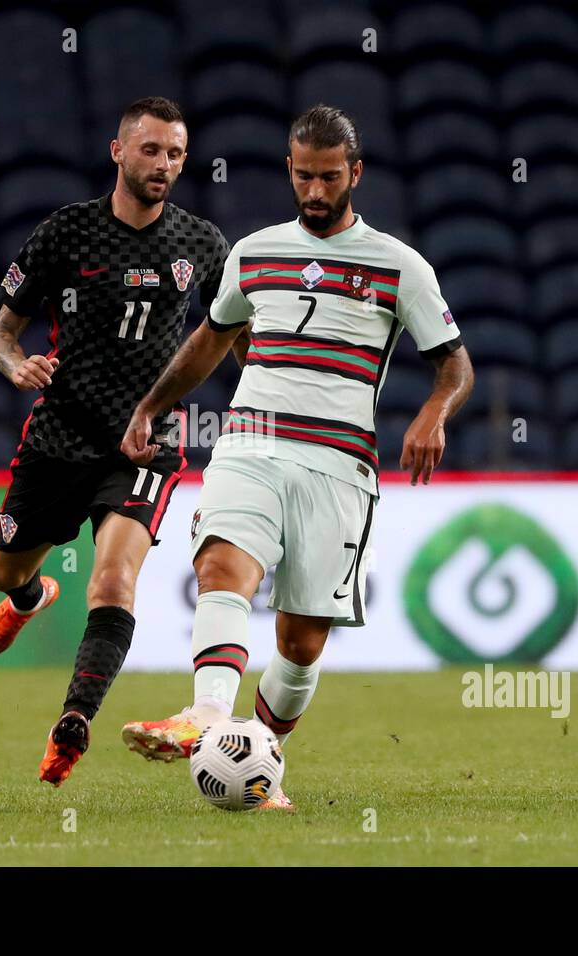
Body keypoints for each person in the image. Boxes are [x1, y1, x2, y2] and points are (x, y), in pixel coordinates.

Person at [119, 105, 474, 810]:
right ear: (290, 169)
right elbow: (214, 338)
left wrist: (434, 411)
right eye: (304, 176)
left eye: (330, 178)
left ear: (356, 174)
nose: (315, 191)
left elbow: (455, 365)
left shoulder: (400, 266)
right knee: (220, 563)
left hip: (340, 463)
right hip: (250, 441)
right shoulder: (253, 252)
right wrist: (152, 405)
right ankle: (210, 717)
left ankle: (258, 758)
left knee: (302, 639)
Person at [0, 97, 229, 786]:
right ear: (118, 152)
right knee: (4, 571)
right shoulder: (66, 234)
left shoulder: (202, 243)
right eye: (151, 150)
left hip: (145, 444)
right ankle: (28, 600)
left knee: (114, 579)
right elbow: (0, 333)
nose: (165, 165)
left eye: (176, 153)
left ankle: (74, 721)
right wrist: (16, 364)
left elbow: (233, 327)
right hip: (59, 437)